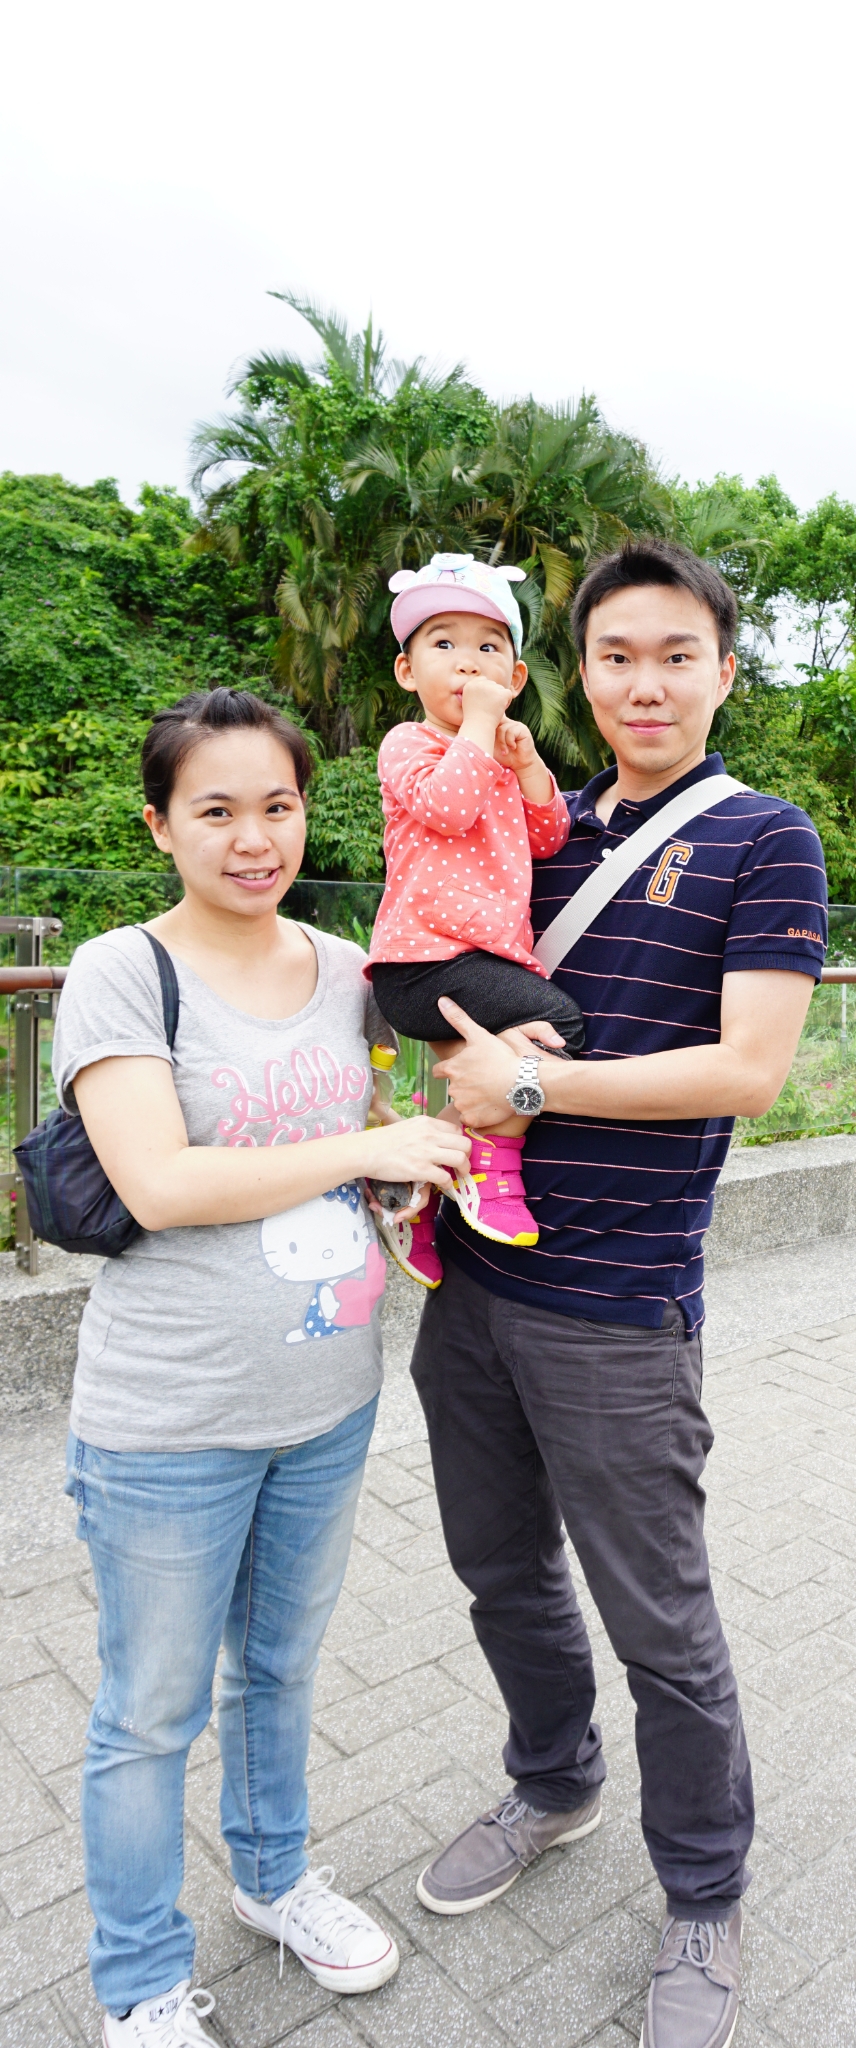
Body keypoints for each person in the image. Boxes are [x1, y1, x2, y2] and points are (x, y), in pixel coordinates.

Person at [406, 540, 829, 2048]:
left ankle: (705, 1897)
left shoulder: (766, 838)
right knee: (501, 1569)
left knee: (663, 1622)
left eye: (675, 655)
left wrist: (533, 1084)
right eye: (615, 656)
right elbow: (438, 958)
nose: (645, 684)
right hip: (472, 1279)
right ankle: (554, 1781)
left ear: (724, 670)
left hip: (621, 1307)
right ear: (575, 674)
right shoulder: (537, 823)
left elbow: (747, 1070)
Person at [53, 688, 470, 2048]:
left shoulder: (350, 969)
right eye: (217, 810)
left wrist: (397, 1175)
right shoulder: (124, 970)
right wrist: (363, 1150)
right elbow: (161, 1184)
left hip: (326, 1400)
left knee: (280, 1667)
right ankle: (137, 1983)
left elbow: (363, 1132)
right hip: (169, 1418)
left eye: (279, 806)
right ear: (160, 824)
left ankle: (276, 1877)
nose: (253, 838)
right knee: (150, 1711)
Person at [365, 553, 585, 1281]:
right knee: (558, 1028)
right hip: (421, 964)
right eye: (444, 644)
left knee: (527, 1051)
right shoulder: (410, 744)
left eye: (488, 647)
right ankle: (490, 1168)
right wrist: (481, 728)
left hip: (475, 967)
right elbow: (447, 807)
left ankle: (416, 1184)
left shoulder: (498, 759)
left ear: (515, 677)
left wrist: (527, 768)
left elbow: (550, 837)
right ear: (408, 672)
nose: (467, 662)